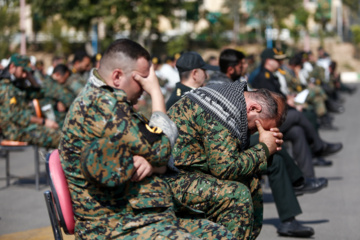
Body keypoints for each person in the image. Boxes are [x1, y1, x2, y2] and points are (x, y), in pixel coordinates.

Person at [59, 39, 234, 240]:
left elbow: (153, 152)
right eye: (142, 79)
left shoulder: (106, 100)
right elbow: (161, 149)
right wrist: (156, 92)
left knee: (221, 235)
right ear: (117, 76)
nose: (145, 85)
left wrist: (153, 161)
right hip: (113, 224)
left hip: (138, 212)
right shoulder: (102, 106)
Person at [204, 49, 324, 238]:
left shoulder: (235, 83)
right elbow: (224, 155)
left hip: (236, 135)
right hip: (221, 147)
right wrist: (262, 146)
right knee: (276, 145)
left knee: (293, 133)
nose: (246, 67)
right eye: (242, 64)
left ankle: (292, 206)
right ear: (231, 68)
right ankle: (301, 178)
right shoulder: (219, 85)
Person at [166, 75, 287, 239]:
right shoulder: (220, 111)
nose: (254, 133)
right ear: (254, 108)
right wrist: (264, 148)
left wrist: (266, 149)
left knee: (252, 183)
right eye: (256, 128)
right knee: (237, 195)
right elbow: (225, 168)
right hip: (173, 179)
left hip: (192, 173)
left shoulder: (230, 100)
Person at [252, 48, 343, 172]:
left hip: (277, 116)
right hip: (270, 121)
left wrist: (289, 99)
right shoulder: (263, 77)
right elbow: (270, 103)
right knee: (298, 115)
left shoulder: (271, 75)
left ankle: (305, 178)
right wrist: (288, 102)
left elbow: (279, 95)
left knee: (297, 131)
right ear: (268, 61)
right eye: (277, 60)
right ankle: (319, 146)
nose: (280, 63)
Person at [0, 54, 60, 148]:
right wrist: (44, 122)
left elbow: (40, 94)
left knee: (62, 134)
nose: (25, 74)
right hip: (15, 130)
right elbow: (16, 116)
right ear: (12, 67)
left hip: (25, 127)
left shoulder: (17, 85)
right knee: (58, 138)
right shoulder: (5, 87)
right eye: (23, 71)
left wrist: (30, 78)